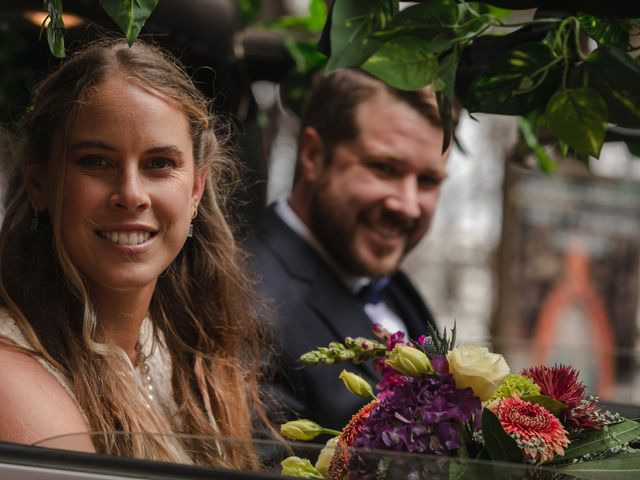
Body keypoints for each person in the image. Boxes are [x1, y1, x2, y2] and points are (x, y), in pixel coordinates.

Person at [0, 38, 271, 469]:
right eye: (95, 161)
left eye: (159, 163)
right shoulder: (12, 378)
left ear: (197, 189)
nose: (131, 194)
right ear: (38, 183)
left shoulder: (174, 345)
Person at [249, 69, 453, 431]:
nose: (407, 205)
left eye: (427, 180)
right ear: (312, 155)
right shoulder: (245, 300)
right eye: (384, 168)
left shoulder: (395, 288)